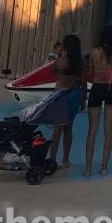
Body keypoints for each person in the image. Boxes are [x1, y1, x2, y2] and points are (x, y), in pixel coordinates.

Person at [83, 25, 112, 176]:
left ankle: (88, 169)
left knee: (92, 130)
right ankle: (104, 167)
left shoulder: (94, 52)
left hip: (97, 88)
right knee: (109, 129)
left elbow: (91, 73)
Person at [47, 34, 84, 168]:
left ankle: (52, 160)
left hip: (60, 94)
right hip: (74, 93)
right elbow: (83, 81)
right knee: (68, 128)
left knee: (57, 130)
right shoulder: (81, 61)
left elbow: (51, 72)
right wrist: (84, 99)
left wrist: (58, 55)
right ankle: (66, 160)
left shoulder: (60, 60)